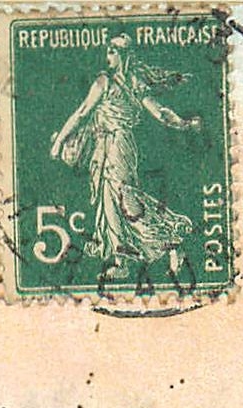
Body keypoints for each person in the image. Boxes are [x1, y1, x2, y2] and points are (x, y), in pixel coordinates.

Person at [49, 35, 201, 276]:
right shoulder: (134, 83)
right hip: (115, 145)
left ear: (122, 55)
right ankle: (129, 259)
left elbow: (81, 113)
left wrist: (59, 142)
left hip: (114, 146)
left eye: (111, 52)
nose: (107, 57)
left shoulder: (105, 82)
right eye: (107, 52)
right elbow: (160, 113)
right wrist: (182, 123)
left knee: (119, 200)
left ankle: (164, 244)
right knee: (115, 201)